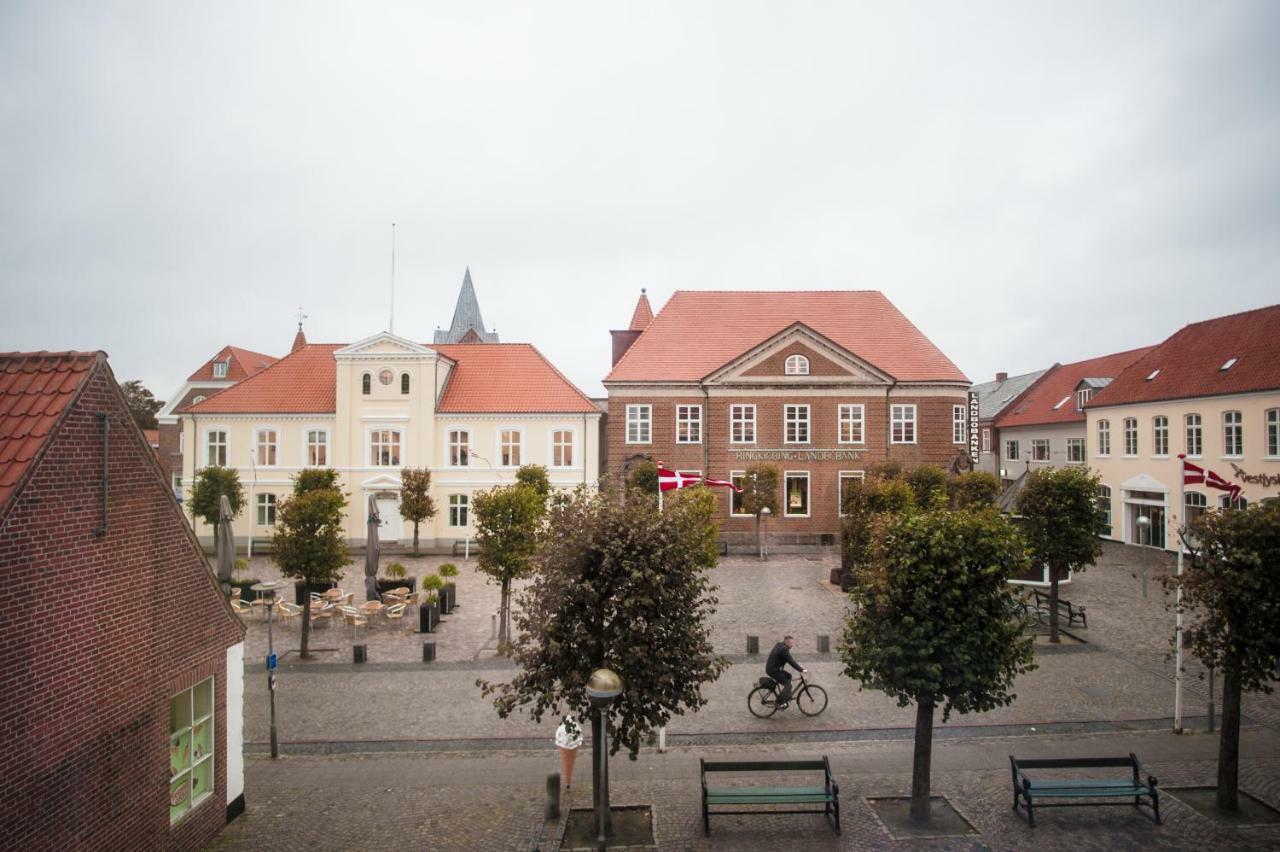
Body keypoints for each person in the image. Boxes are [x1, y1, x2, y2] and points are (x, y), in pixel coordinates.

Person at [765, 635, 805, 709]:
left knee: (789, 676)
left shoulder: (779, 645)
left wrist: (798, 666)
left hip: (774, 668)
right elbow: (791, 661)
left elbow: (790, 659)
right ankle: (778, 702)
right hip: (774, 670)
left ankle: (786, 695)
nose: (792, 645)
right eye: (791, 643)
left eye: (793, 643)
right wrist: (801, 670)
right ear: (786, 642)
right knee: (788, 685)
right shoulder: (783, 649)